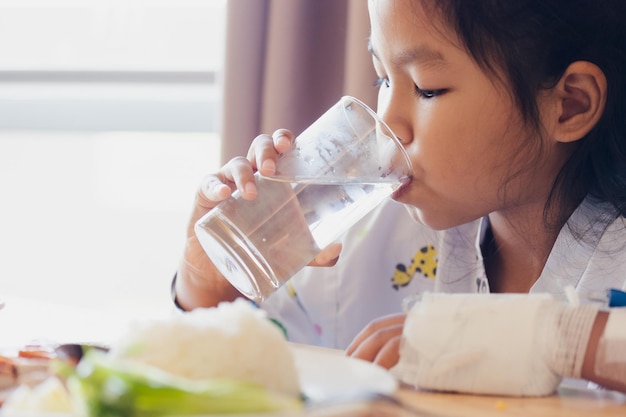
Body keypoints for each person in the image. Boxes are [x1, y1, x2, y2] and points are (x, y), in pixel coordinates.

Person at [173, 0, 626, 396]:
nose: (388, 129)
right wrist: (208, 286)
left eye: (427, 88)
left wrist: (554, 339)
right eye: (382, 80)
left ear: (570, 105)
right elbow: (221, 372)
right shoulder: (364, 240)